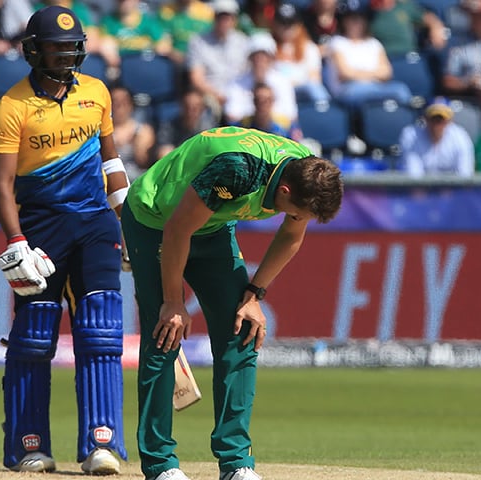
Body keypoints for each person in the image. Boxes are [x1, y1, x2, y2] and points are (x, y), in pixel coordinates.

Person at [120, 126, 344, 480]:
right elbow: (178, 229)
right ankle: (160, 463)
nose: (298, 219)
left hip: (213, 226)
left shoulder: (305, 172)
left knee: (243, 331)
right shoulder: (238, 171)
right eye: (299, 212)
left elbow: (290, 235)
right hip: (155, 219)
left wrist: (254, 294)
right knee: (164, 333)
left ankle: (236, 461)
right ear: (284, 191)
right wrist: (173, 301)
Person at [0, 5, 129, 474]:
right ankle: (29, 446)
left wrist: (126, 221)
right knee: (32, 338)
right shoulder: (12, 106)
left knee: (102, 331)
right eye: (55, 46)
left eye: (71, 46)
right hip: (42, 229)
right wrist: (15, 241)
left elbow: (111, 162)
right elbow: (2, 185)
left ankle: (101, 444)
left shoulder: (97, 92)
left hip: (95, 224)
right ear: (33, 51)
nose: (66, 54)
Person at [324, 1, 412, 108]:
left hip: (376, 87)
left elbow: (387, 72)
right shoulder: (337, 42)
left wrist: (358, 73)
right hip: (348, 90)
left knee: (401, 90)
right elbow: (345, 73)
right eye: (351, 19)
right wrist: (374, 74)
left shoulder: (374, 43)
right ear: (344, 21)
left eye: (359, 19)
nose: (355, 23)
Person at [186, 0, 250, 121]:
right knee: (199, 104)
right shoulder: (198, 41)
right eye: (221, 16)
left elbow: (248, 74)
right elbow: (196, 78)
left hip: (239, 94)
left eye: (228, 17)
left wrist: (235, 96)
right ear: (214, 17)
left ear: (235, 19)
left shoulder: (243, 42)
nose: (224, 21)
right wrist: (217, 95)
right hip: (209, 94)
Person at [224, 31, 298, 125]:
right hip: (245, 133)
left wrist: (263, 116)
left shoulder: (283, 82)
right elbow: (232, 114)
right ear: (250, 58)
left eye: (264, 56)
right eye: (256, 56)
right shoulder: (236, 83)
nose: (260, 61)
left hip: (276, 134)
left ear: (271, 58)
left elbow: (290, 115)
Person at [270, 3, 331, 105]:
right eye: (282, 23)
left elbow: (314, 79)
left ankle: (325, 114)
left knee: (314, 89)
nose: (286, 28)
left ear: (299, 25)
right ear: (275, 25)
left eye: (290, 24)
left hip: (301, 91)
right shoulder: (268, 46)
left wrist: (292, 84)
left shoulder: (309, 48)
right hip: (275, 93)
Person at [399, 96, 475, 176]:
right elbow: (413, 178)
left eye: (441, 119)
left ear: (449, 121)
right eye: (433, 118)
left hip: (452, 187)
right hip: (422, 187)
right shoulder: (411, 136)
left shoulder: (461, 137)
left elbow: (464, 176)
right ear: (425, 119)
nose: (437, 124)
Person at [369, 0, 448, 57]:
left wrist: (436, 29)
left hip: (408, 55)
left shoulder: (404, 6)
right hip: (385, 57)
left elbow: (431, 20)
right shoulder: (370, 12)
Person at [110, 85, 156, 181]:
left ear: (131, 105)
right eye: (115, 102)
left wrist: (137, 146)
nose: (119, 107)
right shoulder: (101, 133)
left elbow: (143, 162)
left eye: (124, 102)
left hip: (136, 178)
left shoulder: (143, 130)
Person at [156, 88, 216, 158]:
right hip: (177, 159)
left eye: (195, 108)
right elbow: (164, 146)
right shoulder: (170, 125)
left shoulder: (208, 128)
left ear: (202, 109)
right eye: (187, 107)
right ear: (181, 106)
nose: (190, 112)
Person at [233, 82, 303, 141]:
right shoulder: (243, 126)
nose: (262, 104)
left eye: (266, 100)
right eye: (258, 100)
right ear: (253, 101)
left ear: (272, 101)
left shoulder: (286, 125)